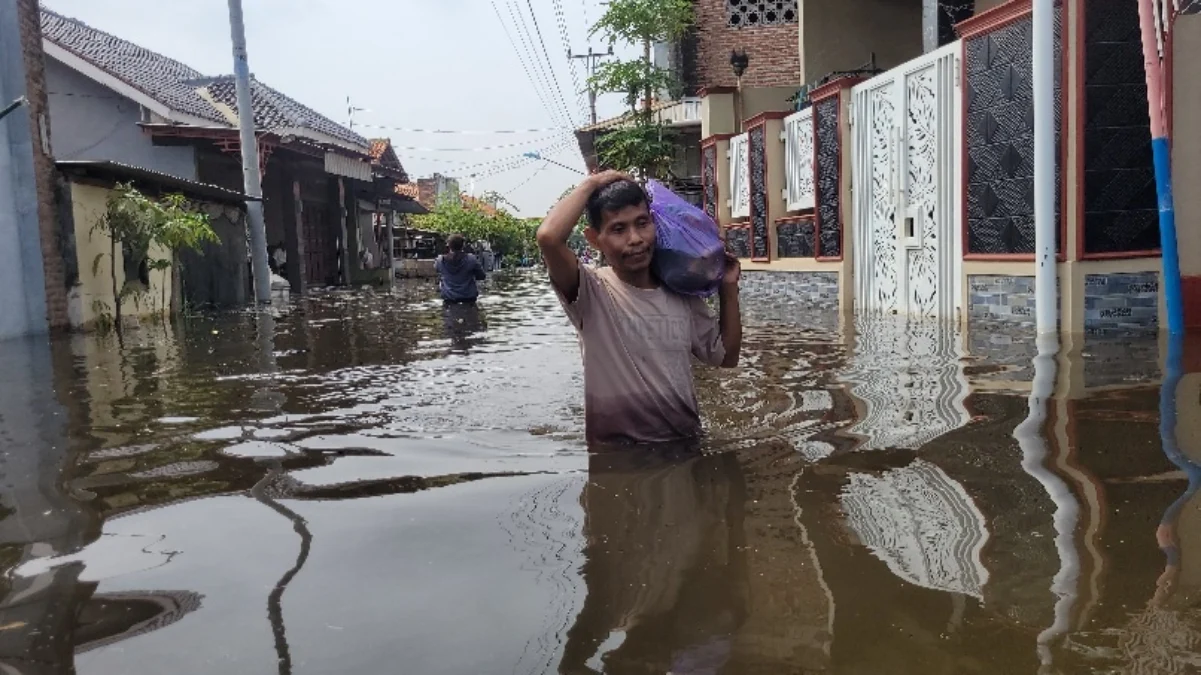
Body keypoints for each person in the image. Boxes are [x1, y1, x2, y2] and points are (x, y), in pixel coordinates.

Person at [536, 171, 742, 446]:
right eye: (618, 229)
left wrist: (729, 288)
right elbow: (549, 237)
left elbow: (726, 357)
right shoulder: (590, 291)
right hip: (617, 455)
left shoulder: (681, 294)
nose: (635, 239)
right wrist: (592, 183)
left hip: (685, 446)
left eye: (642, 223)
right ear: (595, 239)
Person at [435, 234, 487, 303]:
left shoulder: (440, 260)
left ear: (448, 245)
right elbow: (482, 276)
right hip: (468, 299)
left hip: (449, 299)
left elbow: (438, 270)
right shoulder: (471, 259)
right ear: (463, 245)